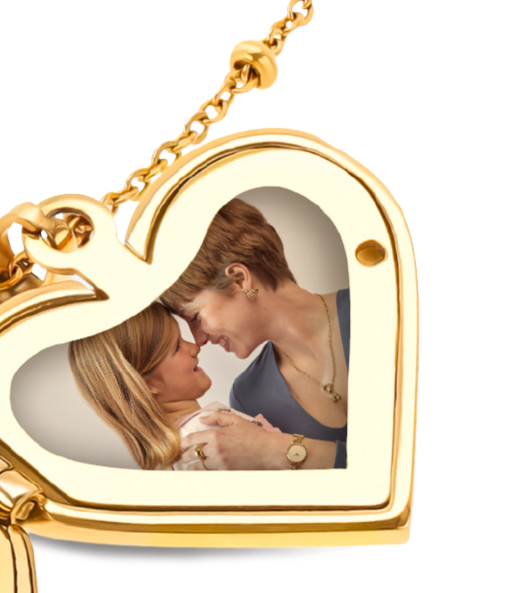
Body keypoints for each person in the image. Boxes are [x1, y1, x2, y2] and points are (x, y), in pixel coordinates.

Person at [161, 197, 347, 471]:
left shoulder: (383, 309)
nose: (198, 341)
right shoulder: (248, 397)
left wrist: (276, 449)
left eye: (196, 317)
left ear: (239, 279)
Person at [66, 301, 278, 471]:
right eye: (177, 347)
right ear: (145, 385)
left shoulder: (175, 452)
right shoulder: (205, 435)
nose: (194, 347)